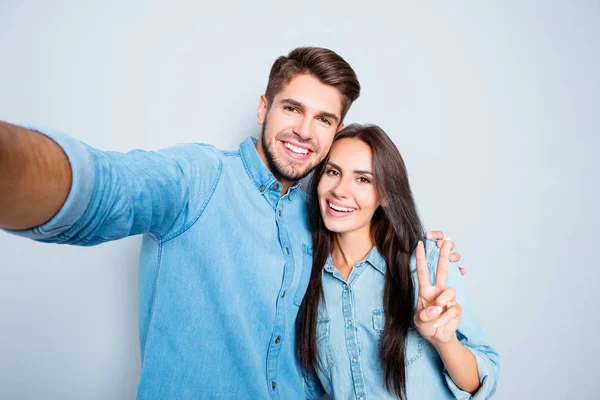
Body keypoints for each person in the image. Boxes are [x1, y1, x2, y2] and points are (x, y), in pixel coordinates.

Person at [0, 47, 460, 399]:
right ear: (263, 108)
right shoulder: (200, 177)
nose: (304, 130)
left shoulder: (322, 217)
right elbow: (105, 187)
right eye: (291, 108)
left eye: (323, 119)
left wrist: (421, 248)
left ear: (335, 133)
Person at [298, 124, 498, 399]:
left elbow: (480, 384)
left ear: (386, 194)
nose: (340, 191)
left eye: (363, 179)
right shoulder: (303, 275)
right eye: (333, 172)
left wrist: (444, 340)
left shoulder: (426, 265)